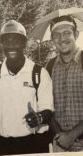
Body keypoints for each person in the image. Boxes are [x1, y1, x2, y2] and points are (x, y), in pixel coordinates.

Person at [0, 20, 54, 155]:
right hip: (5, 145)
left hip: (35, 144)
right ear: (2, 44)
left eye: (15, 41)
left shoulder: (39, 73)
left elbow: (48, 110)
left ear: (24, 43)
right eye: (7, 41)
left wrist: (38, 117)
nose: (11, 46)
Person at [46, 15, 83, 152]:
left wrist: (72, 136)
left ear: (76, 34)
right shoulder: (49, 67)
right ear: (52, 39)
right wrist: (61, 136)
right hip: (59, 143)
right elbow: (47, 106)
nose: (62, 39)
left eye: (67, 32)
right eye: (57, 35)